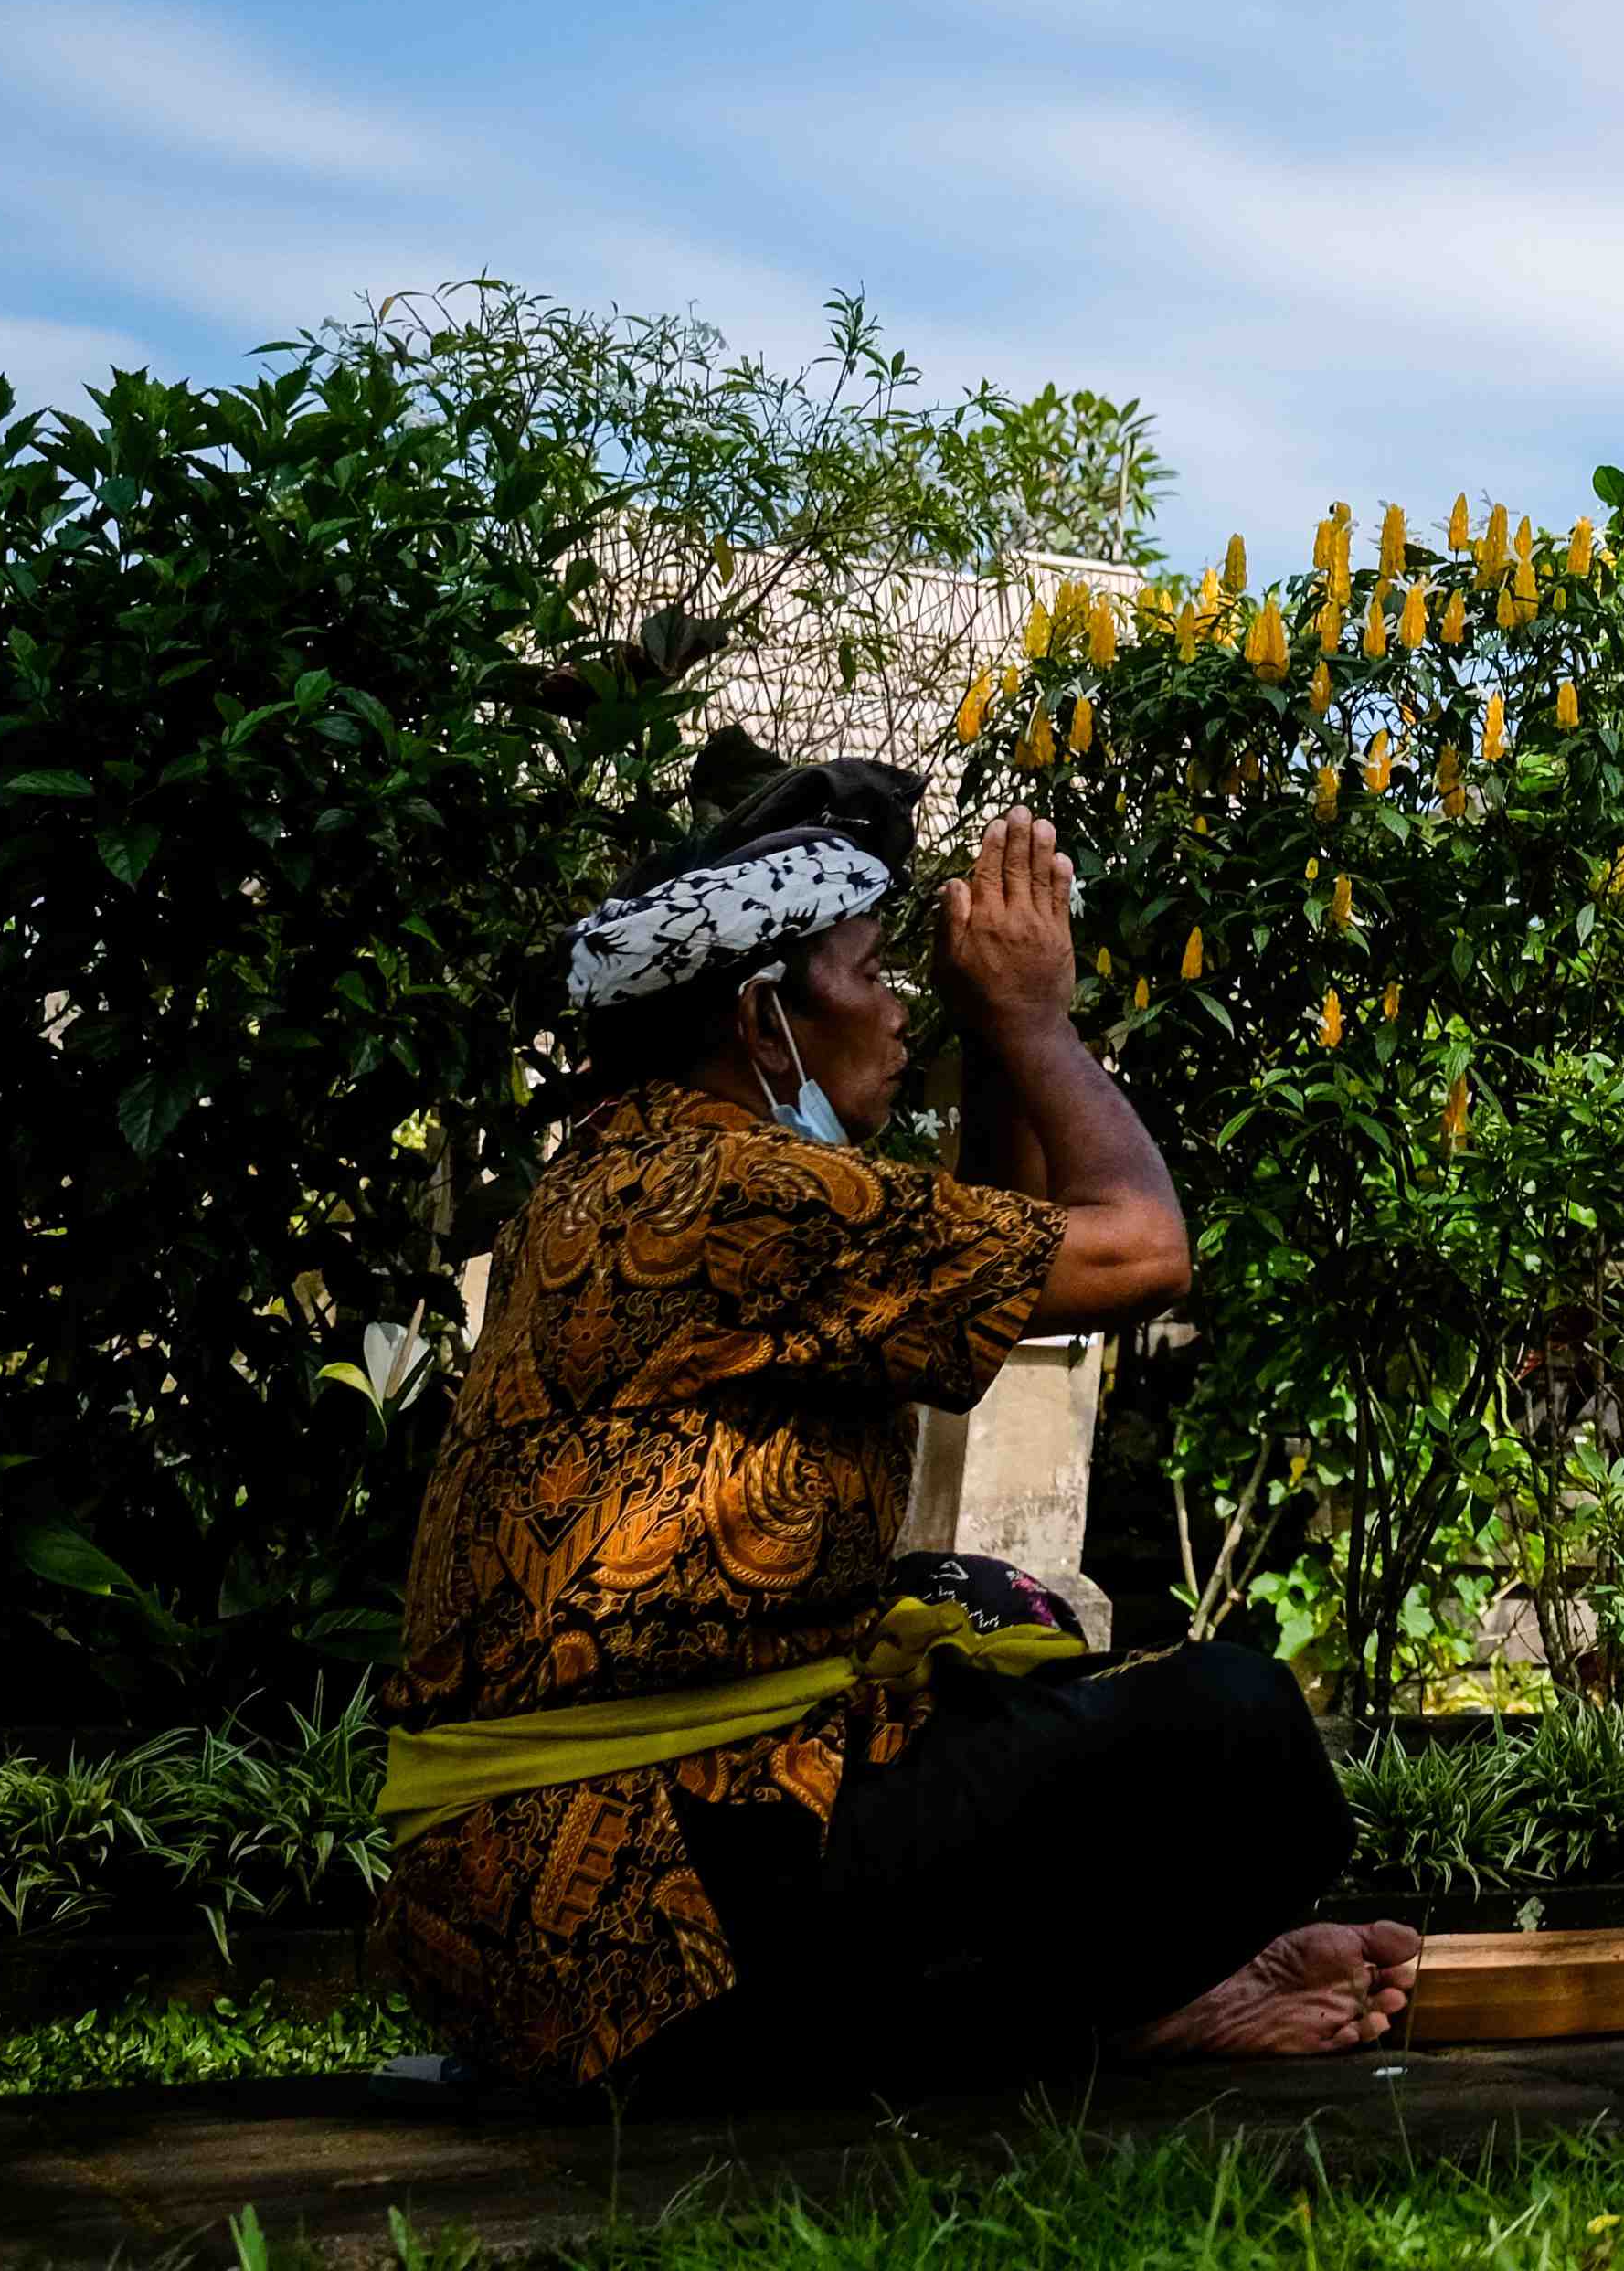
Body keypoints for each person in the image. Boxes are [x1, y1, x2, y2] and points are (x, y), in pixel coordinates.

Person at [375, 752, 1418, 2097]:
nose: (901, 1008)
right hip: (636, 1937)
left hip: (553, 1920)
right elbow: (1144, 1248)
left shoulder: (628, 1170)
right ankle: (1101, 2019)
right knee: (1238, 1720)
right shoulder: (738, 1189)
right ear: (765, 1019)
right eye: (874, 974)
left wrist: (994, 1042)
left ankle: (1103, 2014)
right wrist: (1038, 1022)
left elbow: (982, 1269)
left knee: (991, 1624)